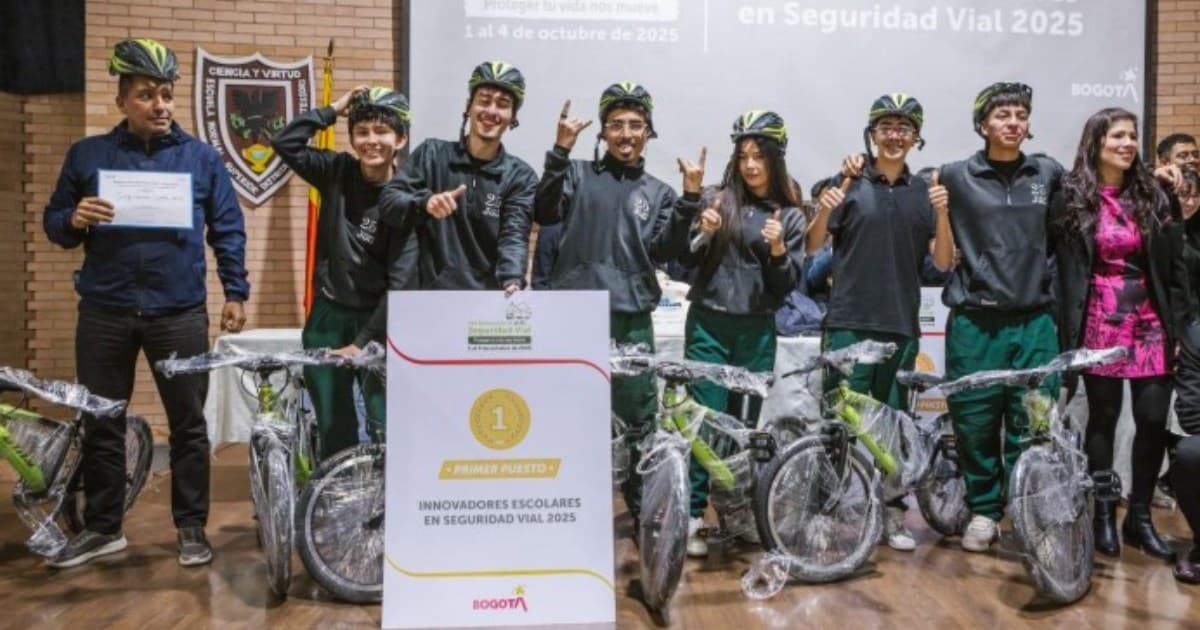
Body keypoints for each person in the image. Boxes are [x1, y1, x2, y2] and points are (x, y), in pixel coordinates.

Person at [42, 38, 249, 568]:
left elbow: (227, 227)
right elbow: (55, 223)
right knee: (101, 421)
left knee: (189, 426)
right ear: (122, 101)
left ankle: (191, 528)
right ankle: (103, 527)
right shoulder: (88, 155)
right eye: (146, 95)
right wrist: (74, 219)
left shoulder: (201, 158)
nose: (160, 105)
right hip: (105, 312)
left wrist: (235, 291)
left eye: (166, 94)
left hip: (179, 313)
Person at [532, 82, 702, 521]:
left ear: (648, 132)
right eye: (616, 125)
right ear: (603, 132)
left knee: (638, 421)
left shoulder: (660, 193)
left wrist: (689, 200)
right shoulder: (576, 174)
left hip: (631, 319)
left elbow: (667, 250)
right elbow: (544, 211)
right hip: (575, 317)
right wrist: (559, 150)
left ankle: (640, 507)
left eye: (636, 125)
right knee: (569, 414)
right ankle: (563, 507)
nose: (626, 134)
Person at [809, 94, 953, 550]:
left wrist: (943, 213)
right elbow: (811, 246)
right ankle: (824, 509)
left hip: (901, 324)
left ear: (916, 137)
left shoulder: (925, 192)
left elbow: (943, 263)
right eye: (886, 127)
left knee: (893, 425)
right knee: (836, 421)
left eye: (904, 128)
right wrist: (826, 206)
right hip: (848, 321)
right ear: (872, 134)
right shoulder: (848, 180)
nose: (895, 135)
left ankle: (891, 511)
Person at [1050, 107, 1187, 559]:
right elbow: (1060, 265)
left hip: (1150, 319)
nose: (1128, 144)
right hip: (1098, 318)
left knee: (1152, 419)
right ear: (1096, 143)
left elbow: (1175, 266)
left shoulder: (1155, 194)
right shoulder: (1071, 195)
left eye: (1132, 136)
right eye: (1117, 137)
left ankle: (1140, 518)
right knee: (1103, 420)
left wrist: (1178, 327)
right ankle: (1103, 514)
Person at [679, 110, 806, 556]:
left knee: (743, 428)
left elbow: (787, 287)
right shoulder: (715, 200)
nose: (750, 165)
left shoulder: (790, 215)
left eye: (760, 156)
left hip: (756, 331)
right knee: (705, 422)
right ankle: (693, 513)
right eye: (744, 156)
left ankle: (733, 510)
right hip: (709, 325)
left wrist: (778, 250)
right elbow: (683, 260)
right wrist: (702, 231)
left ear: (776, 159)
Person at [271, 85, 418, 458]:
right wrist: (332, 110)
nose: (372, 141)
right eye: (362, 132)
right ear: (351, 138)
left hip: (381, 322)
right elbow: (284, 143)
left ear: (400, 139)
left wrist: (363, 341)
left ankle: (387, 490)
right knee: (333, 420)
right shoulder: (337, 171)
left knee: (385, 421)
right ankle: (338, 488)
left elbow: (401, 283)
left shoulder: (408, 198)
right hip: (328, 315)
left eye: (382, 132)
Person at [378, 61, 536, 293]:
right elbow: (389, 202)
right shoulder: (431, 154)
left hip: (487, 301)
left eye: (503, 104)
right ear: (468, 106)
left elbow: (514, 234)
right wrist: (424, 203)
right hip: (429, 297)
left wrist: (512, 278)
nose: (492, 111)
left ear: (512, 117)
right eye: (484, 100)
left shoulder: (521, 176)